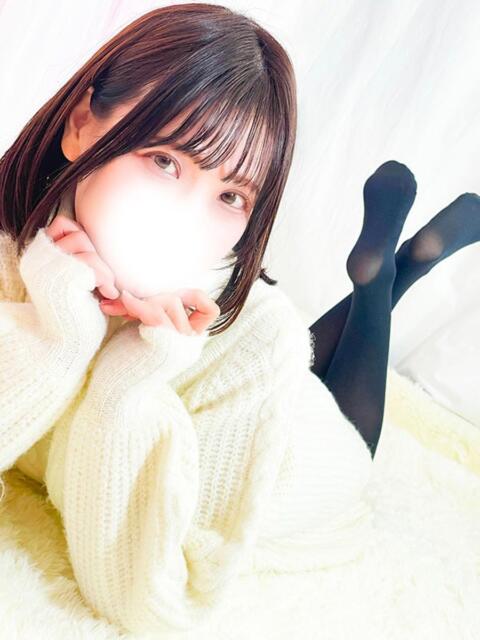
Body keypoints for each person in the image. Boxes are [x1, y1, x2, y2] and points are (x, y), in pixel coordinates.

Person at [0, 3, 479, 636]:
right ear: (83, 123)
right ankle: (390, 272)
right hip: (266, 379)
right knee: (297, 354)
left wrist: (134, 373)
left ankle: (387, 280)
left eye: (230, 196)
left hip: (301, 467)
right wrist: (63, 328)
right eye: (165, 161)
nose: (186, 219)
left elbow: (139, 598)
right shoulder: (23, 251)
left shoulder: (257, 337)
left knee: (351, 430)